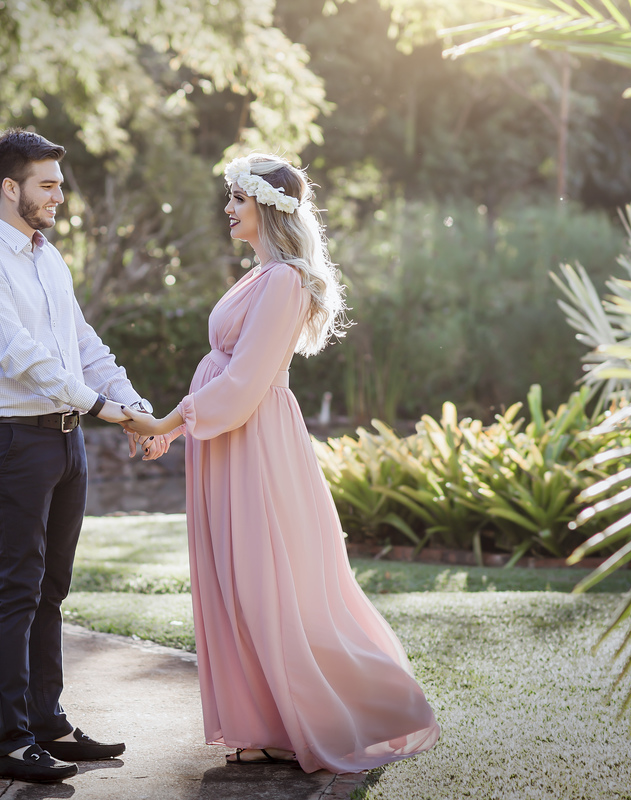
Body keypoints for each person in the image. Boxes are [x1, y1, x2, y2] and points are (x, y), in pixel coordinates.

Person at [122, 154, 440, 772]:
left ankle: (370, 707)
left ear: (268, 207)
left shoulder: (285, 280)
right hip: (229, 440)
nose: (227, 208)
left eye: (237, 198)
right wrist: (176, 430)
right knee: (235, 580)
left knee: (263, 581)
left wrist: (166, 423)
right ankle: (264, 724)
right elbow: (230, 376)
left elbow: (245, 382)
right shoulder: (260, 276)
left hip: (255, 443)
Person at [0, 129, 153, 784]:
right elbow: (20, 356)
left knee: (51, 589)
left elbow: (80, 343)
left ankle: (48, 723)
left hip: (65, 441)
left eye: (60, 185)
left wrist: (132, 404)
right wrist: (103, 408)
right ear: (10, 188)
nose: (60, 196)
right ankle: (10, 742)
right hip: (9, 440)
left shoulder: (49, 258)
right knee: (17, 588)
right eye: (48, 185)